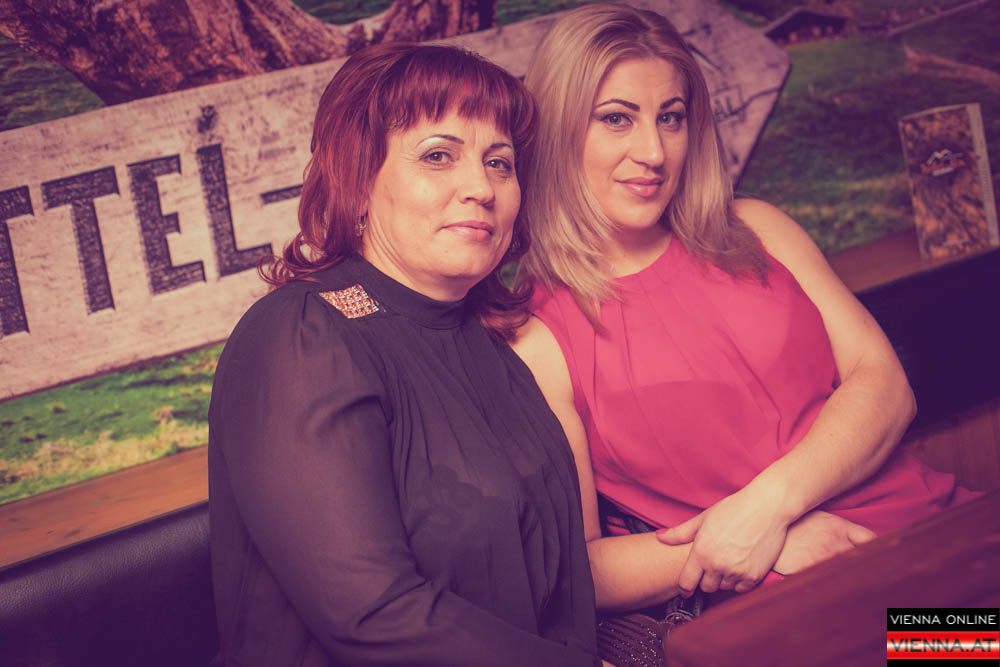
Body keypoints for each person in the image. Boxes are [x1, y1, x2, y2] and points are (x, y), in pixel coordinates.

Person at [512, 2, 977, 620]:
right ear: (558, 129)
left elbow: (887, 387)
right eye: (616, 118)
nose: (653, 151)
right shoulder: (538, 335)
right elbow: (584, 571)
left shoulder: (759, 229)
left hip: (933, 527)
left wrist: (770, 510)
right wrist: (762, 542)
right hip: (792, 605)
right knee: (956, 648)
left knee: (978, 638)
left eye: (670, 117)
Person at [208, 43, 606, 666]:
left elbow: (561, 575)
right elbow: (372, 613)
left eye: (499, 162)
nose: (481, 187)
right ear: (359, 179)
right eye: (438, 155)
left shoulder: (490, 337)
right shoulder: (302, 335)